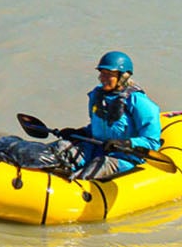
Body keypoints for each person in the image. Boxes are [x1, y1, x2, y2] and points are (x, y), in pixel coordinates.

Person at [59, 51, 163, 181]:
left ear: (123, 76)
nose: (103, 78)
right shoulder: (97, 95)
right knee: (61, 148)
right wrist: (80, 133)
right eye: (102, 73)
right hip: (96, 149)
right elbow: (97, 128)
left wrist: (125, 143)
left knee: (92, 170)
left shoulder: (138, 101)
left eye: (109, 75)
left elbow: (152, 142)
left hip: (125, 156)